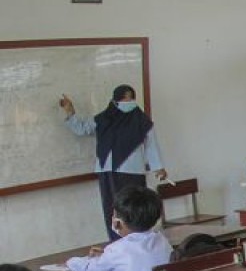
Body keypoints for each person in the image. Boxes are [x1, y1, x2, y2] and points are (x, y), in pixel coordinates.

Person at [60, 84, 167, 240]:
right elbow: (82, 129)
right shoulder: (104, 118)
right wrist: (70, 111)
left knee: (134, 209)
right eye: (124, 98)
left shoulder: (141, 120)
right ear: (115, 100)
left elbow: (151, 144)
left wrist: (159, 167)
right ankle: (117, 243)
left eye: (131, 98)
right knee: (112, 209)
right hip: (107, 171)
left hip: (131, 171)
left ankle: (138, 241)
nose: (128, 102)